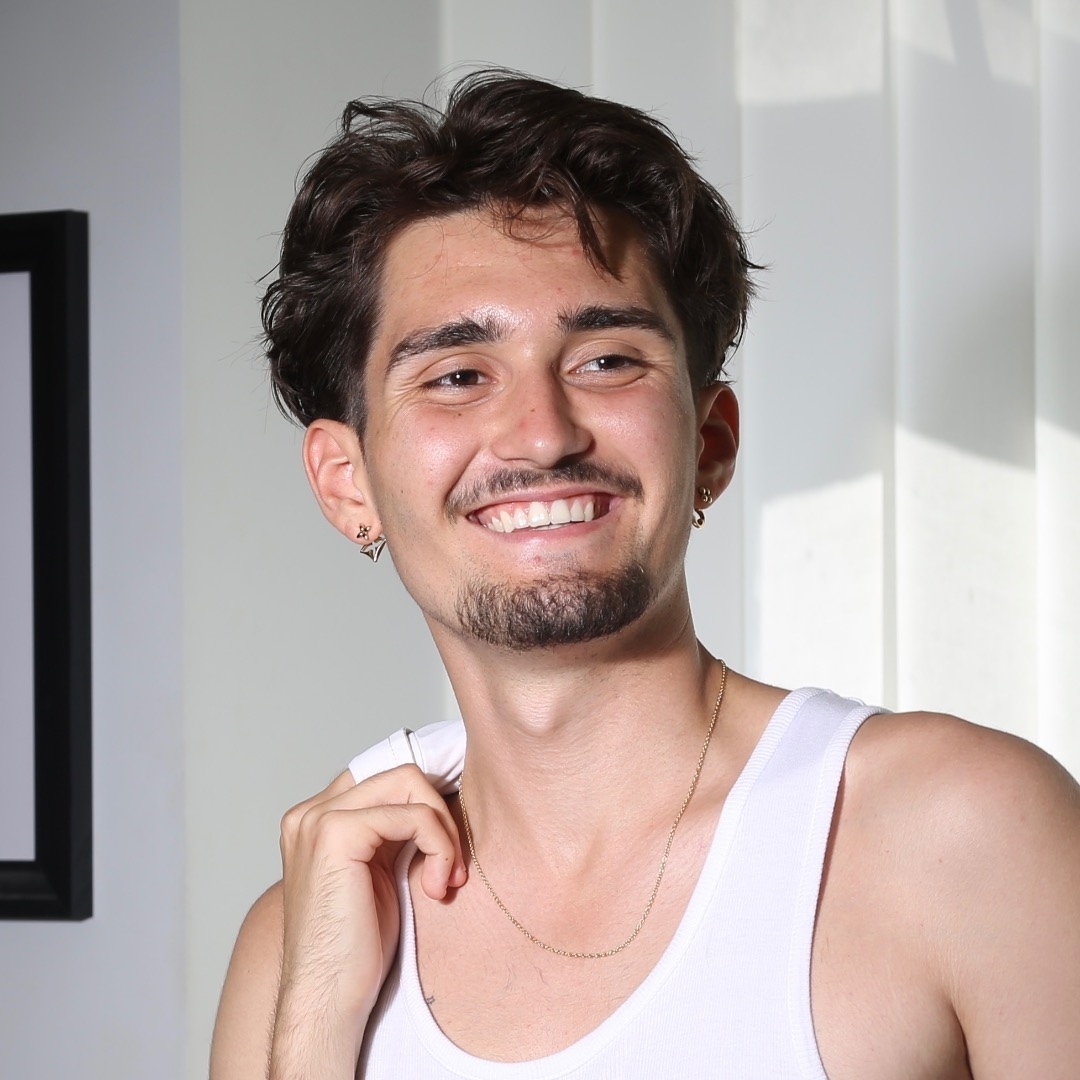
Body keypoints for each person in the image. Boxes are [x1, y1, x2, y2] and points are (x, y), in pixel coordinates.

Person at [209, 71, 1080, 1079]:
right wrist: (316, 1022)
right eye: (457, 376)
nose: (542, 434)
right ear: (346, 482)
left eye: (607, 361)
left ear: (710, 443)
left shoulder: (963, 832)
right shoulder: (299, 938)